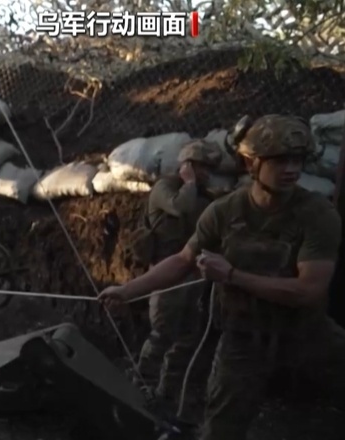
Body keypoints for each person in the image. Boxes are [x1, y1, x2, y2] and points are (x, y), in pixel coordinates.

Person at [100, 114, 345, 440]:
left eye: (297, 160)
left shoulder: (318, 214)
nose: (291, 169)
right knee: (220, 430)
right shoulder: (224, 211)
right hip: (244, 341)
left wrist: (232, 275)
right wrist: (128, 290)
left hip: (306, 334)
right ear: (251, 163)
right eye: (279, 160)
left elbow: (309, 290)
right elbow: (182, 260)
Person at [134, 139, 221, 405]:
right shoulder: (166, 187)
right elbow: (180, 206)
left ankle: (167, 392)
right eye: (201, 167)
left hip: (192, 274)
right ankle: (140, 387)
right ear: (187, 166)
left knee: (187, 336)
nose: (207, 173)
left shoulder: (205, 197)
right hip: (165, 271)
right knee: (161, 333)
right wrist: (189, 182)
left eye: (209, 168)